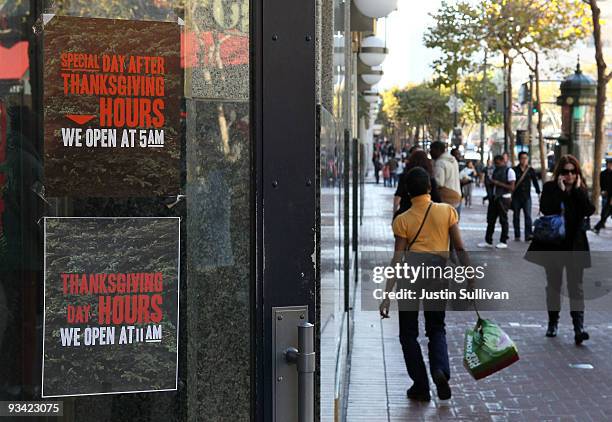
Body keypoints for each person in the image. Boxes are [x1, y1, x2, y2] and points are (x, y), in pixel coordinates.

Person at [380, 167, 471, 402]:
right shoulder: (447, 212)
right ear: (430, 188)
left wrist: (387, 294)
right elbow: (459, 247)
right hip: (437, 273)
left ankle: (420, 384)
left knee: (408, 333)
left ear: (409, 192)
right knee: (436, 328)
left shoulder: (402, 220)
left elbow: (397, 258)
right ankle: (440, 370)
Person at [525, 155, 595, 344]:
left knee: (576, 288)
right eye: (566, 171)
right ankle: (552, 323)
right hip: (554, 246)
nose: (570, 175)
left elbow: (589, 210)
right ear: (559, 173)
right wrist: (562, 192)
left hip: (575, 246)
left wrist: (577, 192)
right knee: (554, 286)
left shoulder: (581, 189)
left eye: (573, 171)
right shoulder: (550, 188)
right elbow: (546, 209)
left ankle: (578, 328)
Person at [478, 155, 516, 249]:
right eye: (495, 163)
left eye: (498, 163)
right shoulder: (494, 170)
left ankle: (503, 240)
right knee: (491, 220)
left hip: (503, 198)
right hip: (494, 198)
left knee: (503, 219)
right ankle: (488, 240)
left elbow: (512, 187)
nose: (496, 165)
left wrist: (498, 183)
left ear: (503, 161)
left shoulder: (509, 171)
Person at [394, 150, 441, 218]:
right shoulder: (430, 179)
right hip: (427, 215)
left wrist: (395, 213)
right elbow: (437, 199)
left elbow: (398, 196)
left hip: (407, 213)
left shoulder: (404, 177)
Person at [512, 151, 541, 241]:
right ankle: (517, 234)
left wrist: (538, 192)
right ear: (519, 159)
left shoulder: (530, 170)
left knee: (528, 216)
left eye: (525, 158)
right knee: (516, 216)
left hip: (527, 197)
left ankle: (528, 235)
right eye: (522, 158)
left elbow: (535, 182)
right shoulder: (514, 170)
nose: (524, 160)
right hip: (516, 197)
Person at [429, 141, 462, 212]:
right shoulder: (453, 160)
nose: (430, 152)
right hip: (457, 195)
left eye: (431, 150)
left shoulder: (440, 163)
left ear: (438, 150)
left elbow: (439, 183)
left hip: (446, 198)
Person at [593, 158, 612, 234]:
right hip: (606, 195)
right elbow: (601, 184)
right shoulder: (603, 173)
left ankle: (597, 227)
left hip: (611, 197)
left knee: (605, 213)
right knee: (605, 213)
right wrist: (603, 191)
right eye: (608, 164)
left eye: (610, 164)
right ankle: (598, 227)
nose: (609, 165)